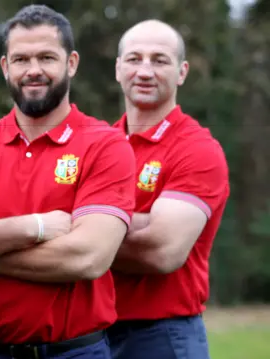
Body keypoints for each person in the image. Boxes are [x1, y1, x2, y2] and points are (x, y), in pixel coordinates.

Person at [0, 5, 136, 359]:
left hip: (74, 352)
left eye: (47, 57)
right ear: (6, 67)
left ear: (72, 63)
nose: (33, 71)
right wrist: (33, 227)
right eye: (21, 59)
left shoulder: (105, 145)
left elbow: (87, 257)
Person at [107, 19, 230, 359]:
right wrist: (139, 221)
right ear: (118, 69)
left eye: (159, 60)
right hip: (94, 333)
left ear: (182, 72)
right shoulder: (99, 145)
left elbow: (161, 251)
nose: (145, 71)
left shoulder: (197, 149)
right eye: (134, 59)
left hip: (161, 335)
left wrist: (86, 228)